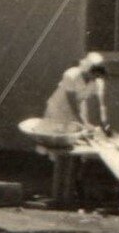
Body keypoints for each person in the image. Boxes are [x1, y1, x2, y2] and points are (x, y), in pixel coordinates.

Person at [42, 53, 109, 204]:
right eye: (92, 72)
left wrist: (104, 124)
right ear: (86, 68)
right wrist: (84, 123)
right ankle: (58, 192)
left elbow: (100, 105)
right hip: (59, 110)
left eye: (97, 75)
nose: (94, 77)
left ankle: (70, 189)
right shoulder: (71, 75)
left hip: (78, 109)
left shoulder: (98, 82)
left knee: (76, 148)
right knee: (61, 148)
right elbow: (71, 103)